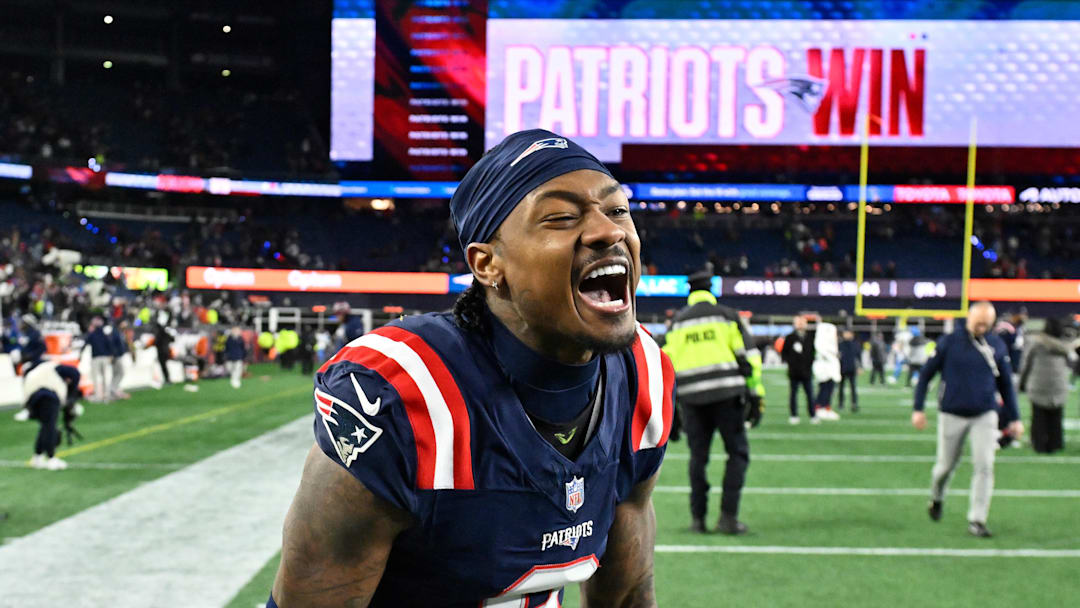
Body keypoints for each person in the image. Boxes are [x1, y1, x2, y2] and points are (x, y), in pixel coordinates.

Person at [269, 129, 675, 608]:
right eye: (562, 217)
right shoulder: (402, 395)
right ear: (487, 265)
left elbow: (626, 595)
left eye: (618, 210)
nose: (609, 231)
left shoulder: (641, 373)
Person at [661, 269, 763, 535]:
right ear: (711, 291)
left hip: (691, 398)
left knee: (698, 458)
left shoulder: (678, 322)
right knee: (737, 453)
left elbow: (666, 366)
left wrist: (671, 409)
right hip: (727, 396)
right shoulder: (727, 316)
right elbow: (749, 358)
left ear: (691, 293)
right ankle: (728, 518)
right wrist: (755, 394)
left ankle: (698, 519)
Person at [912, 301, 1024, 538]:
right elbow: (925, 375)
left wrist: (1015, 418)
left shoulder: (996, 345)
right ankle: (937, 497)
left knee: (985, 465)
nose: (982, 326)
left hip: (985, 414)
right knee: (945, 467)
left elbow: (1006, 385)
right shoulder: (950, 342)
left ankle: (977, 519)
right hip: (952, 413)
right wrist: (918, 408)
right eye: (979, 321)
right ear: (969, 318)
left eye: (987, 322)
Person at [1018, 317, 1075, 453]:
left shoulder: (1036, 343)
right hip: (1058, 385)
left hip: (1038, 384)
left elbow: (1026, 364)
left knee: (1038, 417)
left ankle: (1038, 444)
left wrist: (1022, 383)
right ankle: (1055, 443)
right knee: (1056, 416)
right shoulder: (1064, 345)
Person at [23, 360, 83, 471]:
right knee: (50, 427)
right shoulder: (55, 368)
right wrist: (71, 394)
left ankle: (37, 457)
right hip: (48, 396)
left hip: (32, 399)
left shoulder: (38, 370)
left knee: (45, 426)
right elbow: (76, 373)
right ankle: (51, 458)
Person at [782, 315, 814, 424]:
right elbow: (784, 353)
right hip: (794, 372)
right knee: (793, 394)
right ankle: (794, 415)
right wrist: (791, 363)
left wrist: (809, 364)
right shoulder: (790, 337)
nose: (800, 325)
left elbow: (812, 353)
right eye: (798, 322)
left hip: (807, 371)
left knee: (810, 394)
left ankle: (812, 415)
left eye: (802, 322)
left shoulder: (810, 336)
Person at [811, 321, 841, 422]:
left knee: (830, 387)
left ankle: (826, 406)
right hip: (824, 367)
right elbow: (821, 352)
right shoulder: (821, 343)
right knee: (824, 387)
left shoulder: (831, 345)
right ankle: (820, 407)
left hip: (831, 367)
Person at [82, 317, 112, 403]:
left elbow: (85, 344)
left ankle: (98, 396)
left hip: (96, 358)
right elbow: (109, 344)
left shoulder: (92, 334)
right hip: (104, 357)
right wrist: (110, 355)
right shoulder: (104, 334)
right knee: (104, 377)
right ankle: (106, 396)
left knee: (96, 377)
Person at [837, 329, 860, 412]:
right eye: (845, 333)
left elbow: (858, 357)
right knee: (841, 388)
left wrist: (859, 367)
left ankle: (854, 403)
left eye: (848, 333)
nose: (846, 335)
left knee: (853, 387)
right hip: (842, 369)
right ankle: (840, 404)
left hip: (852, 369)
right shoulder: (840, 344)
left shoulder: (855, 344)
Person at [108, 320, 131, 400]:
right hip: (116, 356)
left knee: (116, 374)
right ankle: (113, 390)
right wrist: (113, 355)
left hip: (117, 355)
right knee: (120, 373)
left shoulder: (118, 332)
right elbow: (112, 345)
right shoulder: (115, 333)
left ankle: (113, 391)